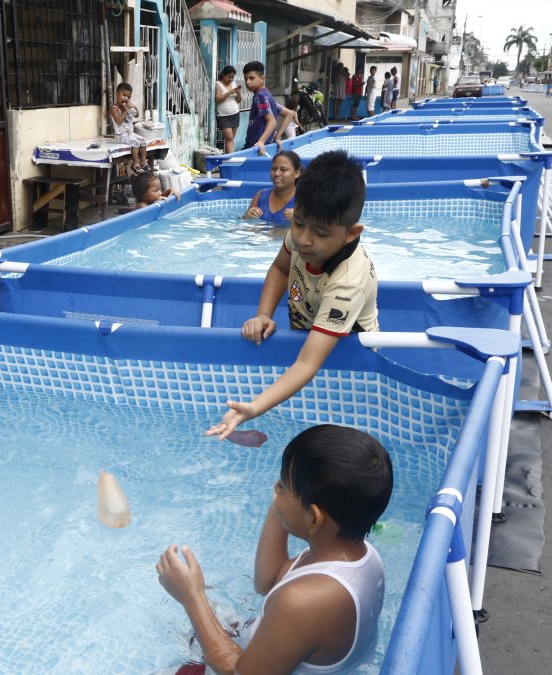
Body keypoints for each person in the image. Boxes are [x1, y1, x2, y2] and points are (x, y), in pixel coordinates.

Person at [157, 424, 393, 675]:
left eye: (283, 485)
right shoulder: (361, 554)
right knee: (203, 625)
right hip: (282, 651)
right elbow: (268, 582)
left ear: (313, 517)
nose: (275, 488)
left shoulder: (302, 602)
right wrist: (284, 506)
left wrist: (192, 596)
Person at [206, 149, 378, 440]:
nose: (304, 239)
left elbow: (308, 364)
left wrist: (254, 407)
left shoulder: (348, 282)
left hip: (351, 363)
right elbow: (280, 269)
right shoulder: (302, 235)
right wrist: (264, 313)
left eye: (321, 233)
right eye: (298, 223)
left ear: (352, 233)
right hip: (309, 341)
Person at [243, 150, 301, 227]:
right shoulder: (260, 195)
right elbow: (243, 222)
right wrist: (248, 217)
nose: (277, 173)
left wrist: (301, 220)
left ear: (297, 173)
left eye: (283, 170)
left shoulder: (303, 200)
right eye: (274, 169)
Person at [242, 60, 281, 156]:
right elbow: (289, 113)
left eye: (251, 78)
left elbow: (272, 121)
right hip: (263, 147)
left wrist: (261, 141)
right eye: (245, 79)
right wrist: (277, 137)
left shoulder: (260, 96)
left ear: (262, 78)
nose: (247, 82)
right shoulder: (267, 95)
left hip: (256, 148)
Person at [111, 82, 150, 172]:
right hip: (120, 136)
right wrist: (126, 110)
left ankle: (143, 162)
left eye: (128, 97)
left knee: (143, 141)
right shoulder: (114, 109)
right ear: (117, 94)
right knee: (135, 142)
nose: (126, 98)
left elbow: (136, 115)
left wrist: (135, 107)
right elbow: (119, 121)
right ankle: (135, 163)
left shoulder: (127, 108)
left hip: (130, 134)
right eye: (124, 95)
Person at [214, 66, 243, 154]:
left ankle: (228, 157)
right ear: (223, 75)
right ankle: (231, 158)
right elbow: (218, 99)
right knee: (229, 138)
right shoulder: (218, 84)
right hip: (223, 117)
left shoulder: (234, 84)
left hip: (235, 114)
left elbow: (238, 100)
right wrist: (229, 92)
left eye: (232, 77)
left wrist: (238, 93)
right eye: (229, 77)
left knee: (231, 139)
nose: (231, 79)